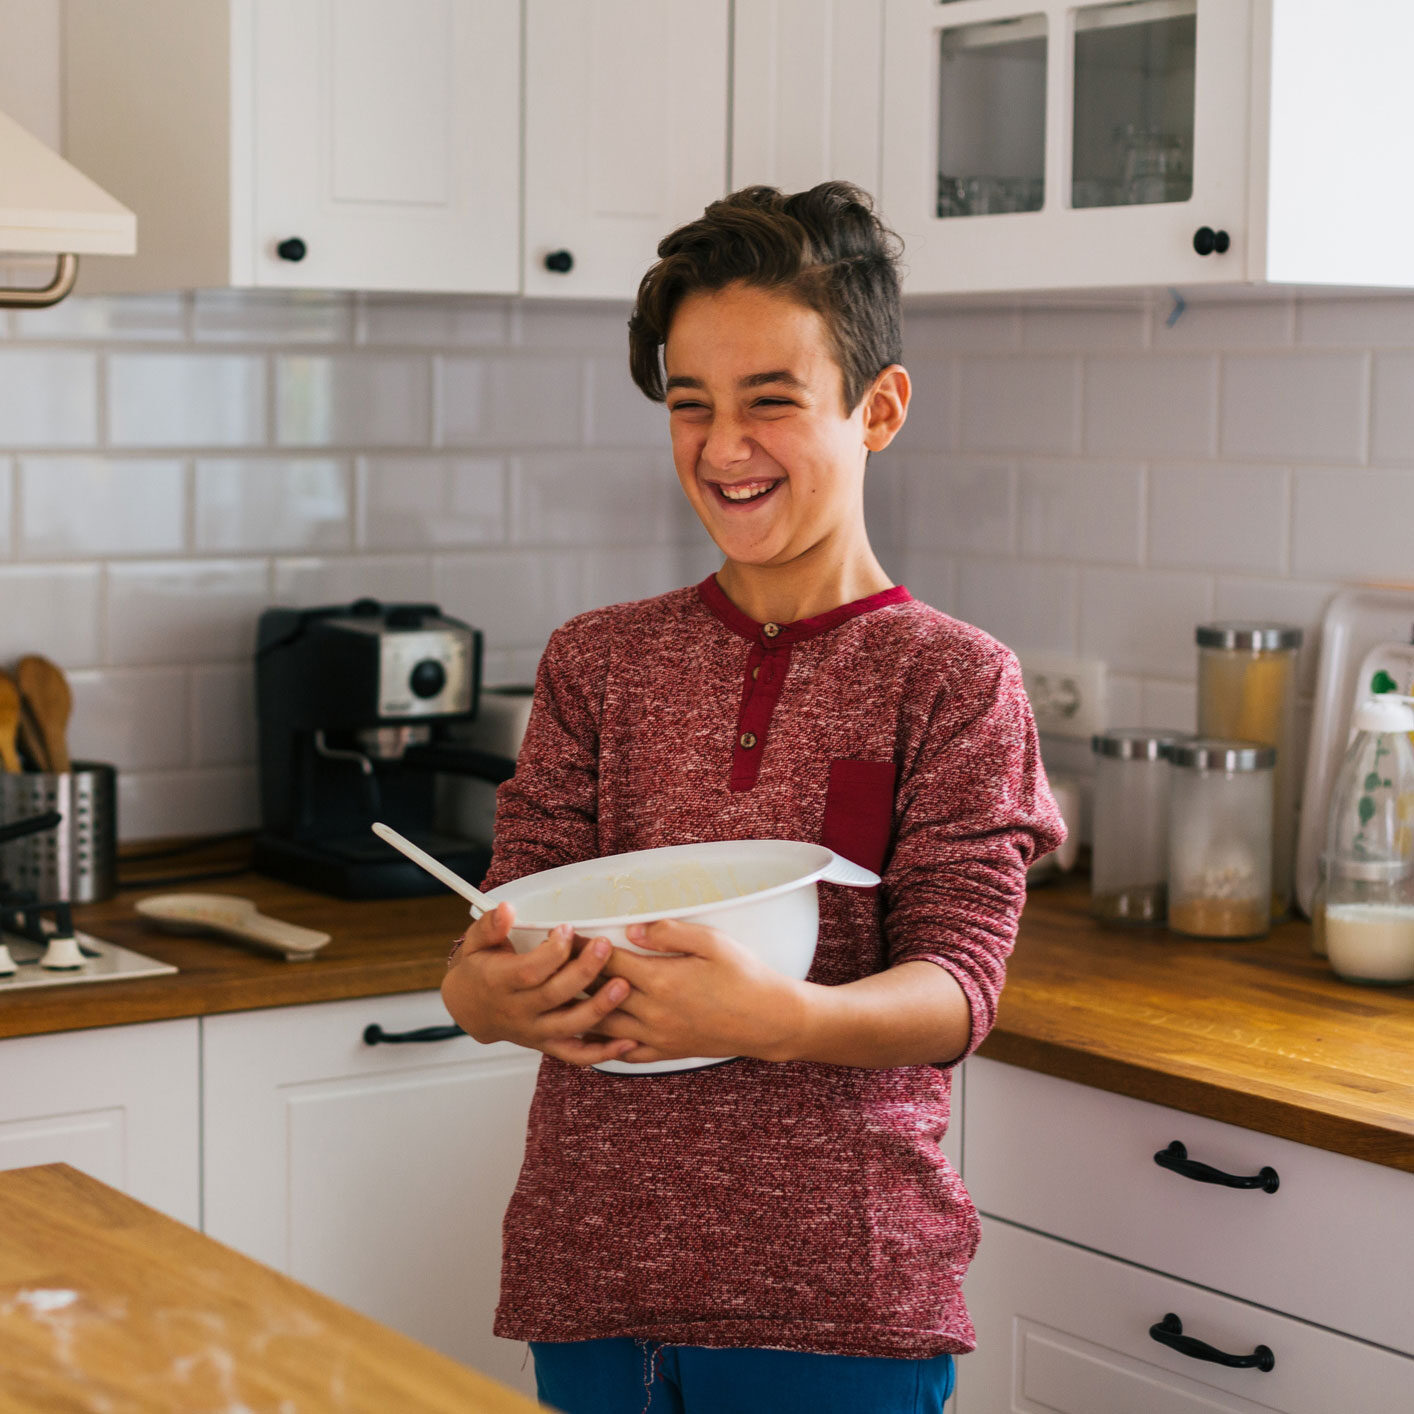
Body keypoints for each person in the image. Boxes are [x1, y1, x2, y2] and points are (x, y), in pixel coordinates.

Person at [440, 182, 1065, 1414]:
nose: (723, 449)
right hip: (592, 1283)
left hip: (838, 1302)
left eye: (769, 402)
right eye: (690, 406)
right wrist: (485, 993)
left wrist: (773, 1016)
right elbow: (488, 944)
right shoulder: (596, 660)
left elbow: (957, 988)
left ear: (876, 408)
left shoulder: (954, 680)